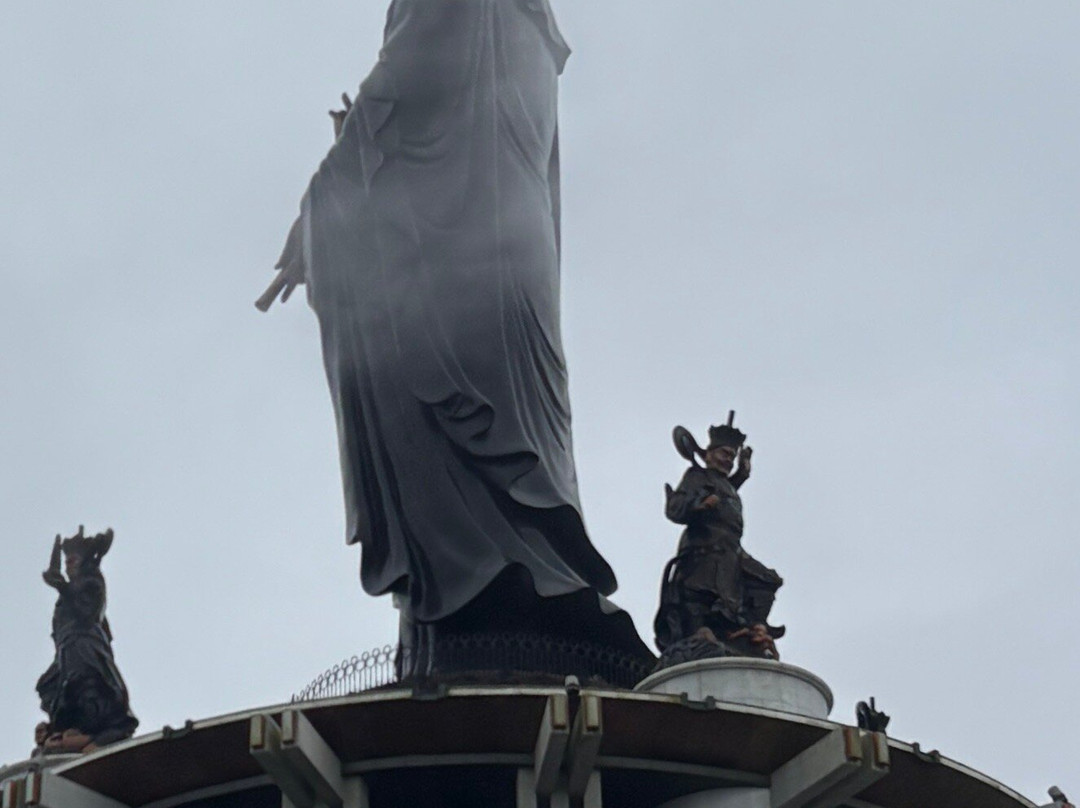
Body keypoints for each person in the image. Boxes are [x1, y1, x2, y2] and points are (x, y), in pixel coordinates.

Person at [259, 0, 649, 677]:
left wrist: (323, 202)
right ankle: (500, 598)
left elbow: (408, 78)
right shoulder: (528, 23)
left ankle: (489, 605)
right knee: (511, 429)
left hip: (455, 244)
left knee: (456, 414)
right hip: (510, 244)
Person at [654, 418, 783, 661]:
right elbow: (675, 508)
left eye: (732, 457)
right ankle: (700, 632)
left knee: (765, 582)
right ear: (709, 454)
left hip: (731, 552)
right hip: (705, 550)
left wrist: (742, 473)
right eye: (724, 454)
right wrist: (700, 506)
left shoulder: (724, 483)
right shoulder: (696, 476)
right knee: (704, 596)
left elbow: (726, 488)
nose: (728, 460)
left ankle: (753, 629)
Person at [36, 528, 138, 752]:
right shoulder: (67, 593)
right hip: (66, 648)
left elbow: (87, 612)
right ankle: (70, 729)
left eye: (72, 560)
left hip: (84, 643)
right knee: (50, 687)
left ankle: (99, 733)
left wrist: (63, 587)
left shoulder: (92, 582)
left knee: (85, 683)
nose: (68, 566)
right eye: (66, 562)